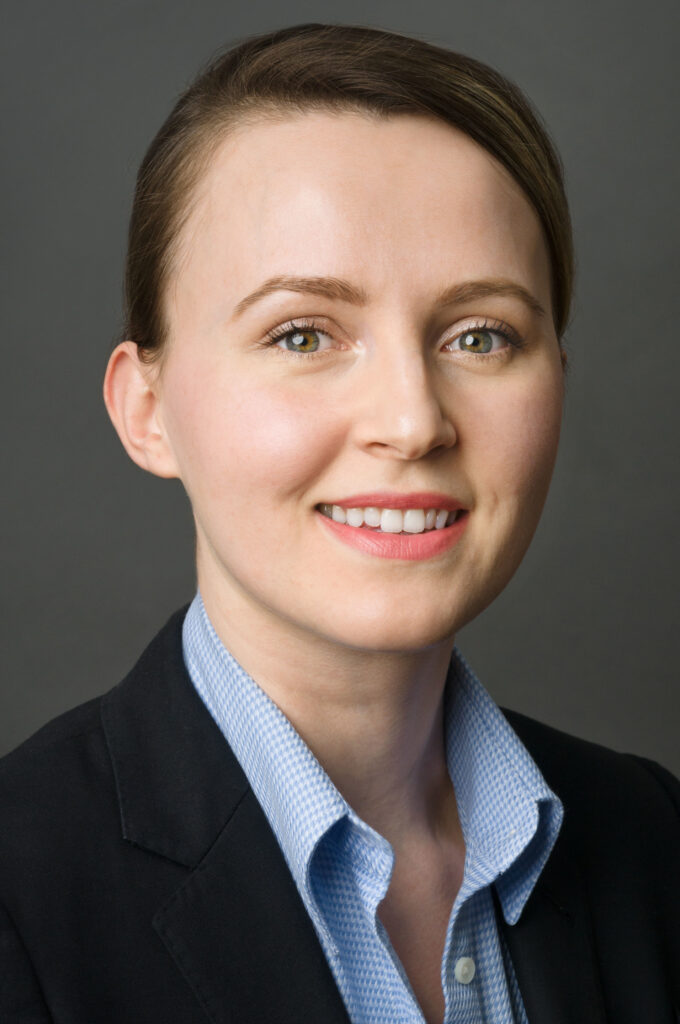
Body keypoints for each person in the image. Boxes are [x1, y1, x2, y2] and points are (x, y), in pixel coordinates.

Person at [0, 22, 677, 1024]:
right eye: (303, 332)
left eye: (479, 334)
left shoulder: (653, 840)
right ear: (146, 408)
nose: (412, 421)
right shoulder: (17, 895)